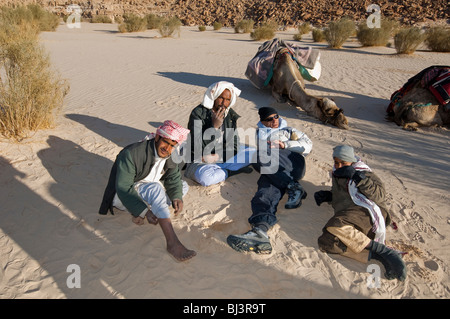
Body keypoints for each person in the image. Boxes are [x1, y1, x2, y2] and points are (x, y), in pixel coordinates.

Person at [98, 120, 196, 262]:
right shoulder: (132, 153)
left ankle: (153, 208)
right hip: (124, 195)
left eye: (172, 146)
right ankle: (172, 243)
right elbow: (123, 187)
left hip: (149, 187)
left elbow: (173, 178)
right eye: (165, 142)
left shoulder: (171, 154)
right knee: (155, 189)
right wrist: (144, 211)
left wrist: (176, 197)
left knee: (182, 186)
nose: (167, 148)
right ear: (157, 137)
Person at [227, 107, 312, 254]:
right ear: (262, 122)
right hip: (275, 169)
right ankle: (260, 231)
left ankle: (292, 185)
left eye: (276, 116)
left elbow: (308, 146)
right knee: (266, 189)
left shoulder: (289, 130)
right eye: (269, 119)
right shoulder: (260, 134)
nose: (274, 121)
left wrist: (285, 145)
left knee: (259, 157)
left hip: (293, 163)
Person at [315, 145, 407, 281]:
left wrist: (358, 177)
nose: (339, 166)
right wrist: (329, 196)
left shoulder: (364, 173)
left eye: (343, 163)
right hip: (350, 215)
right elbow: (343, 195)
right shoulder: (337, 173)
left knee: (336, 224)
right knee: (326, 242)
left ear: (351, 161)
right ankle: (377, 255)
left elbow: (380, 195)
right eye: (336, 162)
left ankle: (385, 251)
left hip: (367, 212)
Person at [184, 81, 256, 186]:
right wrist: (214, 127)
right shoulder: (198, 113)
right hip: (200, 158)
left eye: (227, 100)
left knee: (254, 152)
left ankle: (221, 168)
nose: (223, 103)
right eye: (221, 98)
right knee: (206, 179)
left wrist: (218, 157)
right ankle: (230, 171)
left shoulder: (229, 114)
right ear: (214, 95)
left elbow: (234, 144)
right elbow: (198, 146)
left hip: (221, 155)